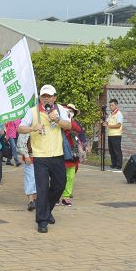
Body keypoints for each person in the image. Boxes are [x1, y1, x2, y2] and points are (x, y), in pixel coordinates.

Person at [18, 84, 71, 233]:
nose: (46, 99)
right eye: (44, 96)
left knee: (60, 185)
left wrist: (57, 119)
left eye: (49, 96)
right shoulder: (32, 112)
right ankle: (42, 221)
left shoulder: (60, 110)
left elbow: (68, 126)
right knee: (41, 189)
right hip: (40, 157)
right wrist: (32, 128)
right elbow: (20, 128)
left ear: (55, 97)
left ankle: (47, 210)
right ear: (40, 97)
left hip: (57, 155)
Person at [60, 104, 83, 206]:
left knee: (70, 176)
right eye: (68, 110)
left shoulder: (74, 122)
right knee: (58, 176)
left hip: (72, 152)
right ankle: (56, 196)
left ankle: (66, 196)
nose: (70, 112)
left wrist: (70, 120)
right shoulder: (59, 121)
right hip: (59, 151)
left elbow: (78, 130)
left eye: (72, 111)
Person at [16, 133, 37, 211]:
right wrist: (26, 155)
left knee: (39, 179)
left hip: (43, 157)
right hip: (30, 157)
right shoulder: (26, 126)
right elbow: (21, 143)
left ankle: (35, 199)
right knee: (30, 178)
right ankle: (31, 200)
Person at [103, 98, 123, 170]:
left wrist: (108, 126)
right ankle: (113, 164)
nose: (111, 107)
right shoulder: (111, 114)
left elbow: (118, 125)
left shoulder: (119, 114)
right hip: (110, 135)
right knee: (111, 151)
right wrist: (103, 122)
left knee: (117, 150)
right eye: (110, 105)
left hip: (116, 135)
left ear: (116, 105)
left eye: (112, 105)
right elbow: (107, 122)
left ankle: (119, 165)